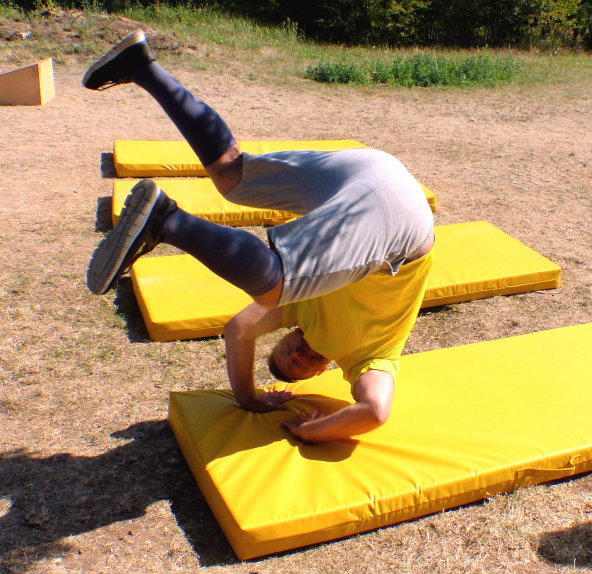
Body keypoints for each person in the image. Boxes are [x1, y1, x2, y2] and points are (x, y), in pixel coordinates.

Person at [84, 31, 435, 443]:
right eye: (297, 361)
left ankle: (142, 68)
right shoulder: (371, 361)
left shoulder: (302, 312)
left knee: (231, 174)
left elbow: (237, 330)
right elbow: (374, 411)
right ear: (321, 372)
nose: (298, 353)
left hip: (371, 170)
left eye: (289, 356)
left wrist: (248, 399)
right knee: (275, 286)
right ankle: (168, 221)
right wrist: (312, 432)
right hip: (404, 225)